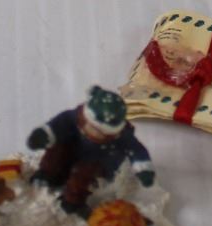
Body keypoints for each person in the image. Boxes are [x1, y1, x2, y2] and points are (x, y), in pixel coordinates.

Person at [26, 86, 155, 215]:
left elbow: (136, 150)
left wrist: (144, 170)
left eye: (101, 133)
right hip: (71, 152)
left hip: (96, 163)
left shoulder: (123, 136)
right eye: (90, 127)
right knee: (56, 149)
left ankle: (72, 201)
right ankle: (47, 175)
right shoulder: (72, 118)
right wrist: (43, 135)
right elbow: (56, 126)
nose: (93, 133)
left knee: (84, 174)